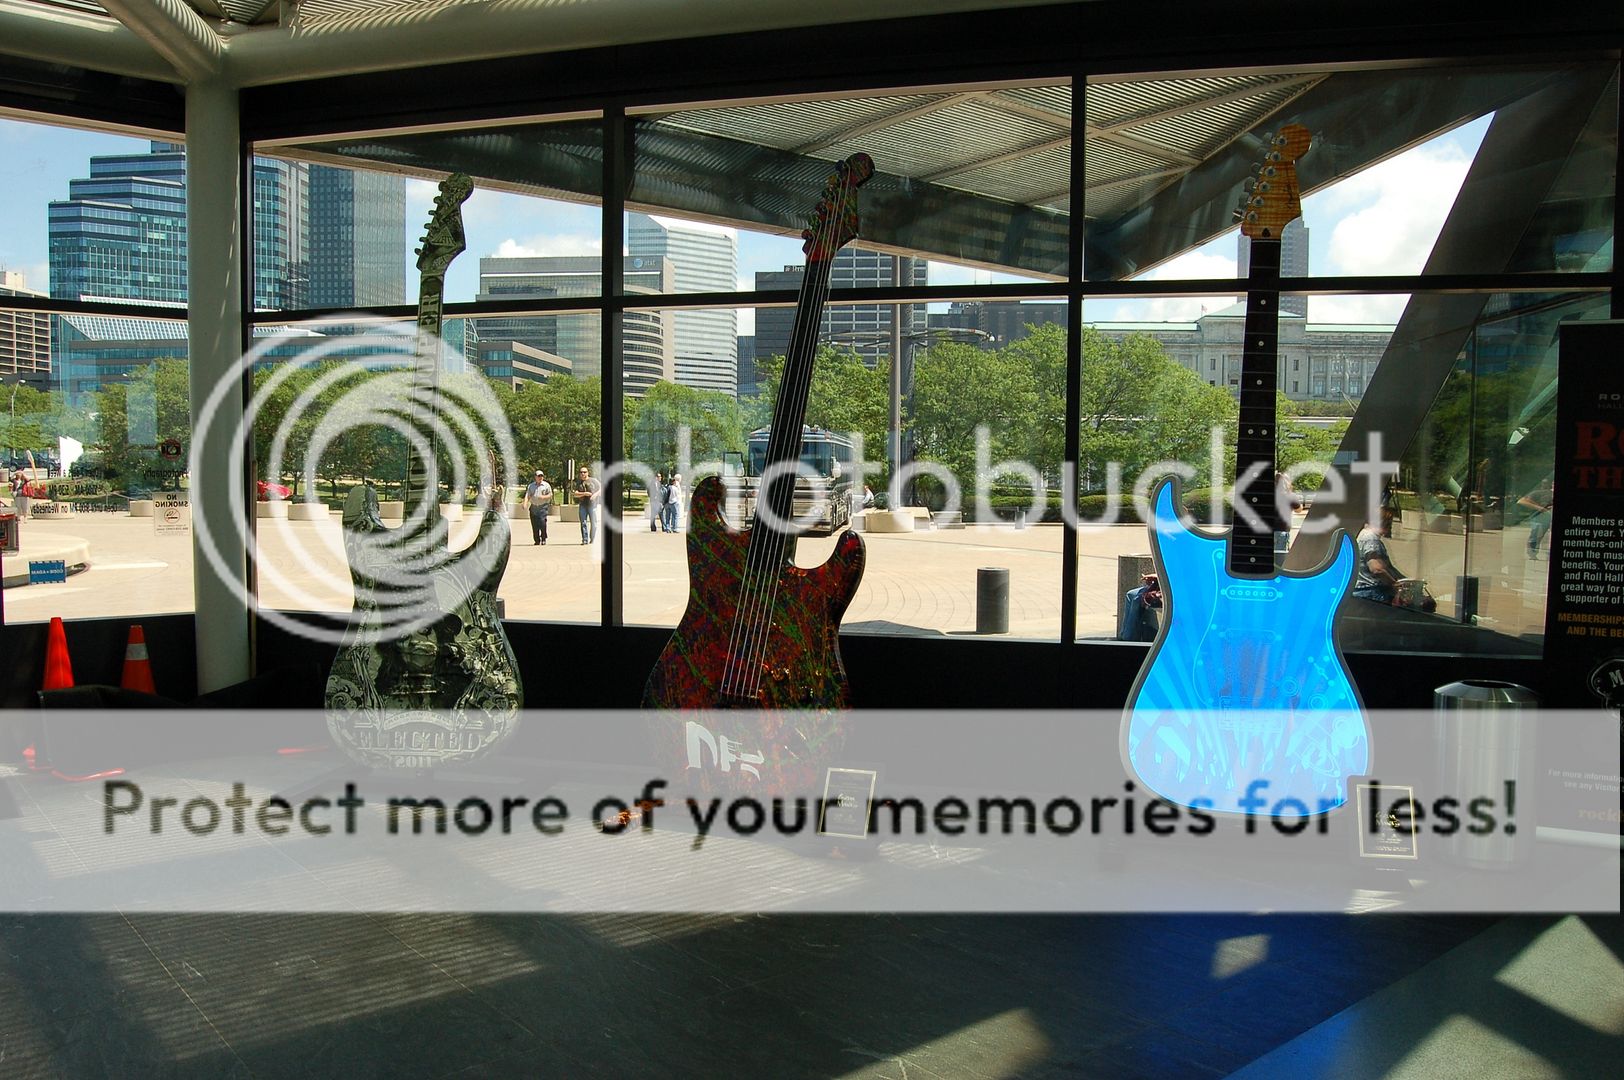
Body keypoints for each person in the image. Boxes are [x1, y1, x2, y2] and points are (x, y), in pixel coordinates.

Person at [1353, 508, 1435, 612]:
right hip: (1373, 592)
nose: (1390, 526)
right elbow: (1377, 569)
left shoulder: (1364, 536)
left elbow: (1388, 568)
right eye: (1388, 522)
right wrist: (1394, 584)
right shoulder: (1371, 539)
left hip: (1367, 592)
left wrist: (1405, 579)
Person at [1518, 475, 1554, 559]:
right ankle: (1532, 552)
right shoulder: (1539, 493)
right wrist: (1540, 508)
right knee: (1537, 534)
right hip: (1541, 518)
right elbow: (1522, 501)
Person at [573, 465, 601, 545]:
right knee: (583, 523)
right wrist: (584, 494)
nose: (583, 474)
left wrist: (595, 495)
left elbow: (601, 488)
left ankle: (592, 538)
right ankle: (585, 539)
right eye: (581, 472)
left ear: (588, 473)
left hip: (593, 505)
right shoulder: (578, 483)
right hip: (583, 505)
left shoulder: (593, 480)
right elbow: (575, 494)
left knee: (594, 523)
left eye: (584, 472)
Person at [523, 469, 552, 545]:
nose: (540, 477)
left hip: (543, 507)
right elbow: (528, 495)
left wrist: (543, 497)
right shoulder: (531, 486)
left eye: (541, 476)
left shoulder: (546, 485)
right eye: (539, 476)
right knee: (534, 525)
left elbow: (550, 495)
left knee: (542, 523)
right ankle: (537, 540)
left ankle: (543, 538)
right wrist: (525, 503)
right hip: (534, 507)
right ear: (535, 477)